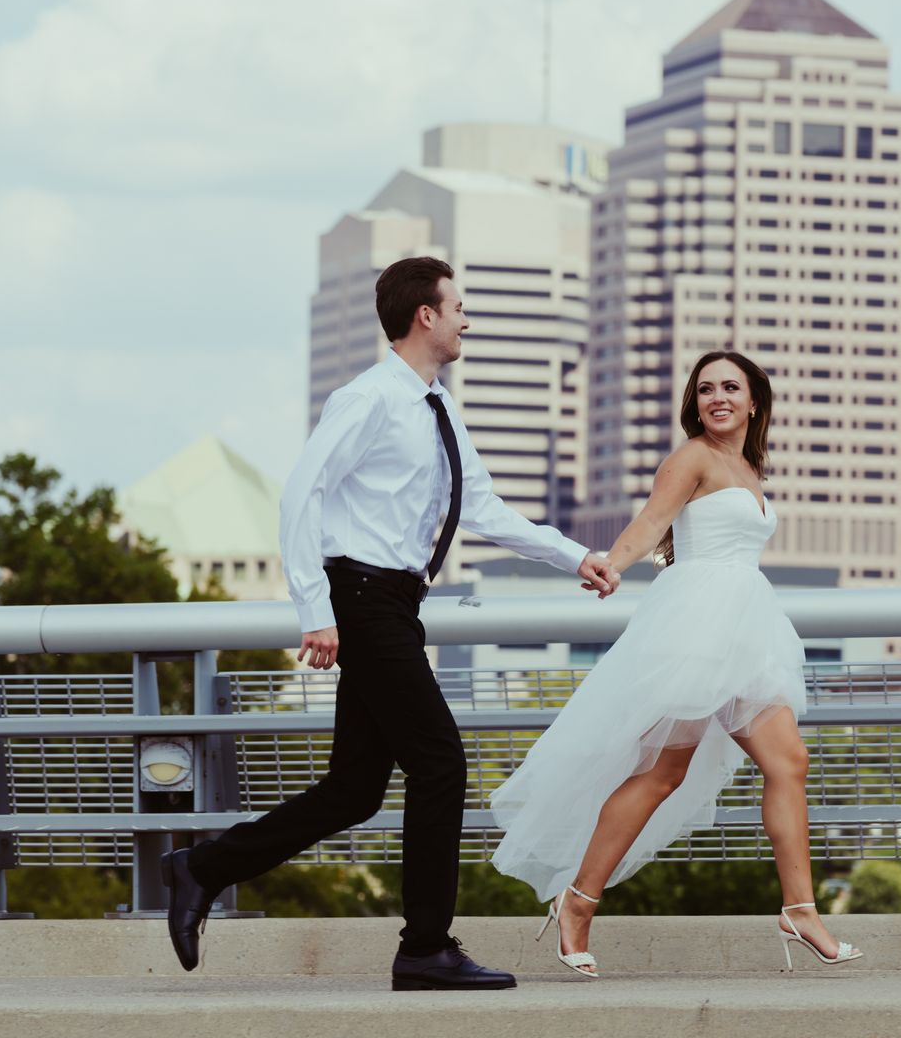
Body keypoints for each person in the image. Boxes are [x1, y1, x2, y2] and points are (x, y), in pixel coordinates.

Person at [163, 256, 620, 991]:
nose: (468, 319)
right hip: (362, 599)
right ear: (426, 316)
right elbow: (300, 496)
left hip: (396, 604)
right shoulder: (369, 399)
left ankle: (201, 867)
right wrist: (316, 610)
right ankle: (426, 947)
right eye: (459, 306)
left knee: (355, 789)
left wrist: (577, 558)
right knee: (441, 760)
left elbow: (485, 510)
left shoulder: (437, 409)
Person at [491, 351, 861, 977]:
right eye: (706, 388)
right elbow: (652, 523)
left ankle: (800, 909)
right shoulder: (691, 457)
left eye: (730, 388)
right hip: (696, 627)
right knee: (663, 773)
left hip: (747, 630)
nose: (718, 397)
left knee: (788, 760)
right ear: (696, 402)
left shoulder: (746, 466)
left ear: (752, 400)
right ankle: (578, 900)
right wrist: (612, 563)